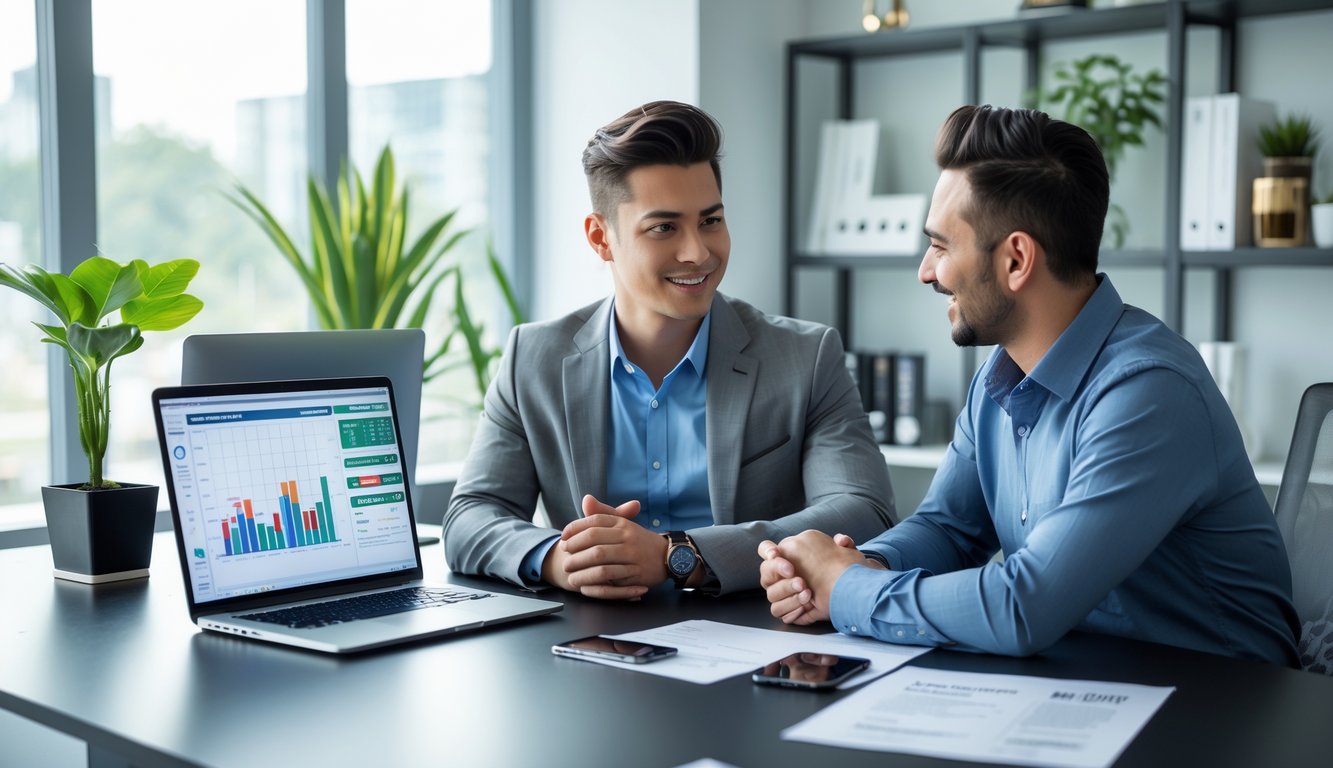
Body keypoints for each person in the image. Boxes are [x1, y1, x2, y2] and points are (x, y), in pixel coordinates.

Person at [759, 104, 1300, 666]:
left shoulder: (1147, 393)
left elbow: (1025, 605)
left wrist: (846, 587)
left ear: (1017, 259)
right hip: (1080, 688)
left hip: (1220, 708)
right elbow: (948, 528)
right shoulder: (1000, 377)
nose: (926, 271)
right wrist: (857, 565)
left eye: (941, 246)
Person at [443, 100, 894, 599]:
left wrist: (679, 555)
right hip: (590, 648)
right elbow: (470, 517)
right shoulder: (534, 357)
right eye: (664, 228)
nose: (698, 252)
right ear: (601, 237)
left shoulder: (805, 358)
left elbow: (862, 509)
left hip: (755, 644)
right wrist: (559, 559)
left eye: (710, 221)